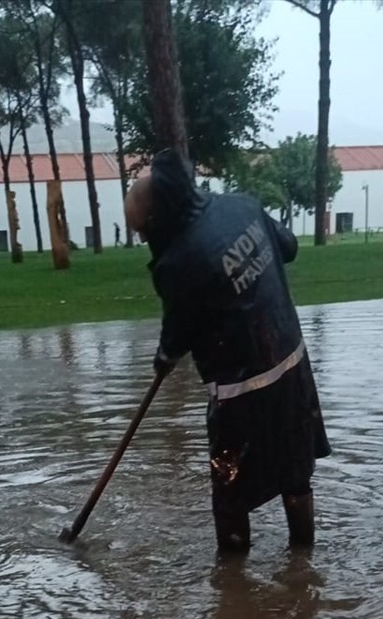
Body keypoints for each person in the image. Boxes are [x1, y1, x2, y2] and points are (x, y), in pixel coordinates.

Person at [124, 151, 331, 553]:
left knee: (230, 489)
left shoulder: (177, 261)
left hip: (242, 392)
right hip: (293, 364)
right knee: (295, 472)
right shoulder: (243, 205)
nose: (146, 241)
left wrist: (164, 359)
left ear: (157, 220)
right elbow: (287, 247)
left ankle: (231, 586)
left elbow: (178, 333)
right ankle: (303, 560)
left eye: (143, 234)